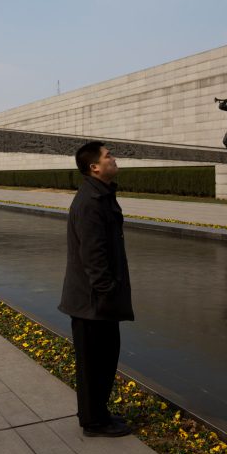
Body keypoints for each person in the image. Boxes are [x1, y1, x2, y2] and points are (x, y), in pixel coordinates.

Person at [59, 141, 134, 437]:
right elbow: (93, 257)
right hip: (92, 301)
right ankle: (93, 422)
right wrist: (108, 294)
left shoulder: (99, 196)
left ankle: (98, 413)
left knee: (103, 361)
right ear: (94, 167)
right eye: (108, 156)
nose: (113, 159)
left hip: (97, 299)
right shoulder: (91, 201)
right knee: (93, 364)